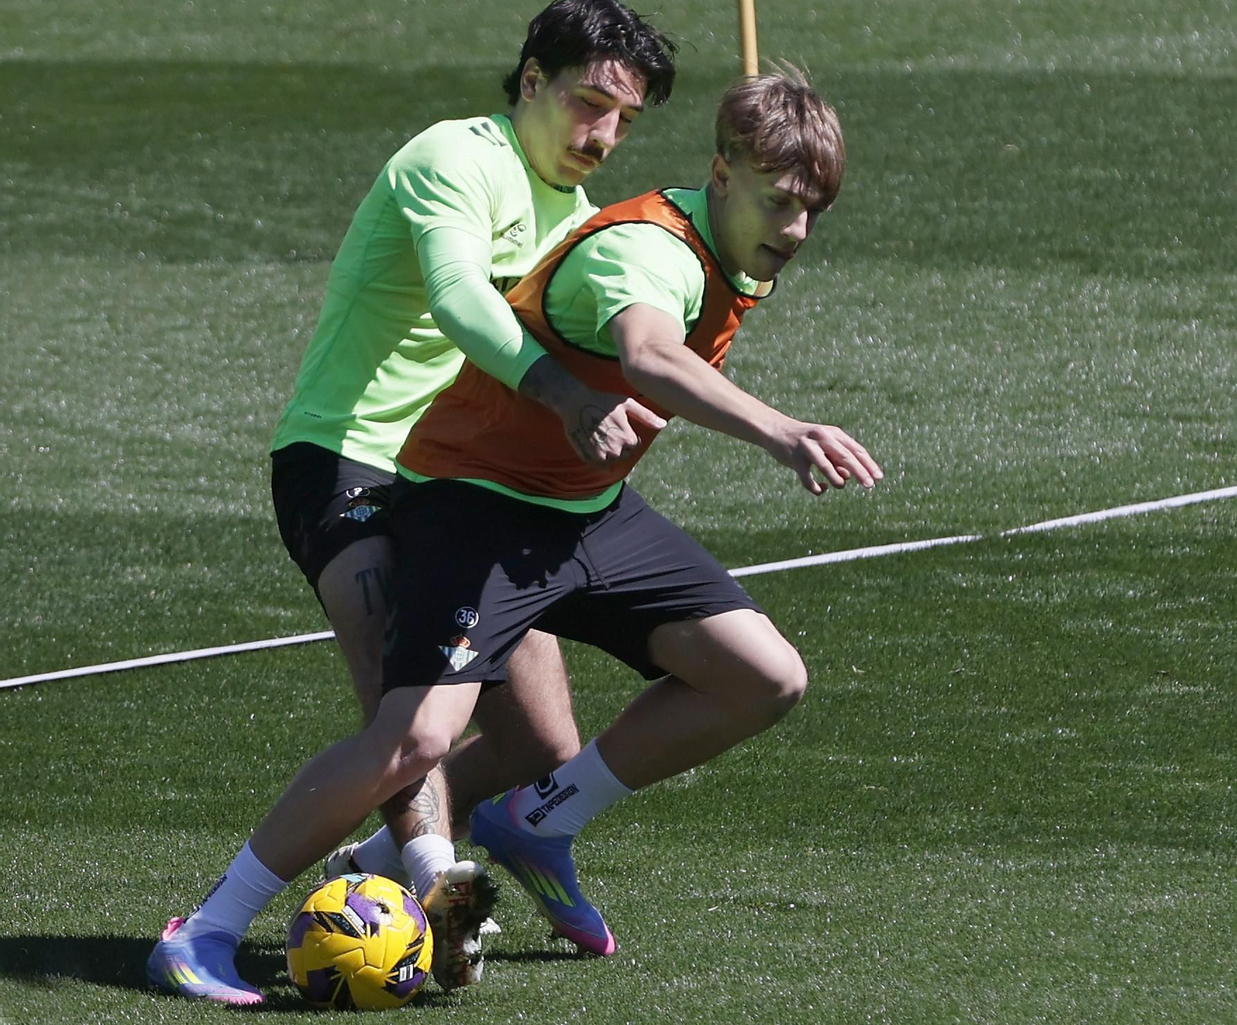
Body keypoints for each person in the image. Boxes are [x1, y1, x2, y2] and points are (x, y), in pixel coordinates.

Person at [147, 70, 875, 1005]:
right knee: (414, 737)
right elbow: (650, 352)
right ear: (720, 174)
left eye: (813, 210)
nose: (796, 230)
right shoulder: (649, 253)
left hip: (586, 513)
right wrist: (784, 432)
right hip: (478, 504)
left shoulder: (736, 252)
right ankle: (203, 930)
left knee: (765, 674)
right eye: (779, 202)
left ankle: (540, 821)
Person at [147, 0, 676, 1004]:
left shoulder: (583, 221)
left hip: (467, 482)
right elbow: (461, 297)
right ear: (530, 81)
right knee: (411, 720)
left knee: (539, 743)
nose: (601, 135)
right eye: (585, 103)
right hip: (349, 459)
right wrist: (562, 393)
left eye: (624, 121)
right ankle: (231, 921)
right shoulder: (455, 159)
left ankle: (399, 865)